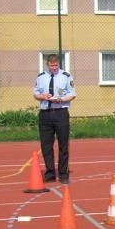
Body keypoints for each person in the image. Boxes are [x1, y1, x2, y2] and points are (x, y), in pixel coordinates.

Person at [33, 54, 76, 184]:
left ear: (59, 64)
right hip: (45, 113)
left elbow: (72, 94)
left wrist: (61, 99)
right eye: (52, 66)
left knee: (63, 144)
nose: (54, 68)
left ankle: (63, 173)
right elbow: (35, 94)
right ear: (47, 65)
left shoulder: (66, 76)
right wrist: (43, 96)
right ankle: (50, 172)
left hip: (60, 112)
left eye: (56, 65)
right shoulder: (41, 77)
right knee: (46, 145)